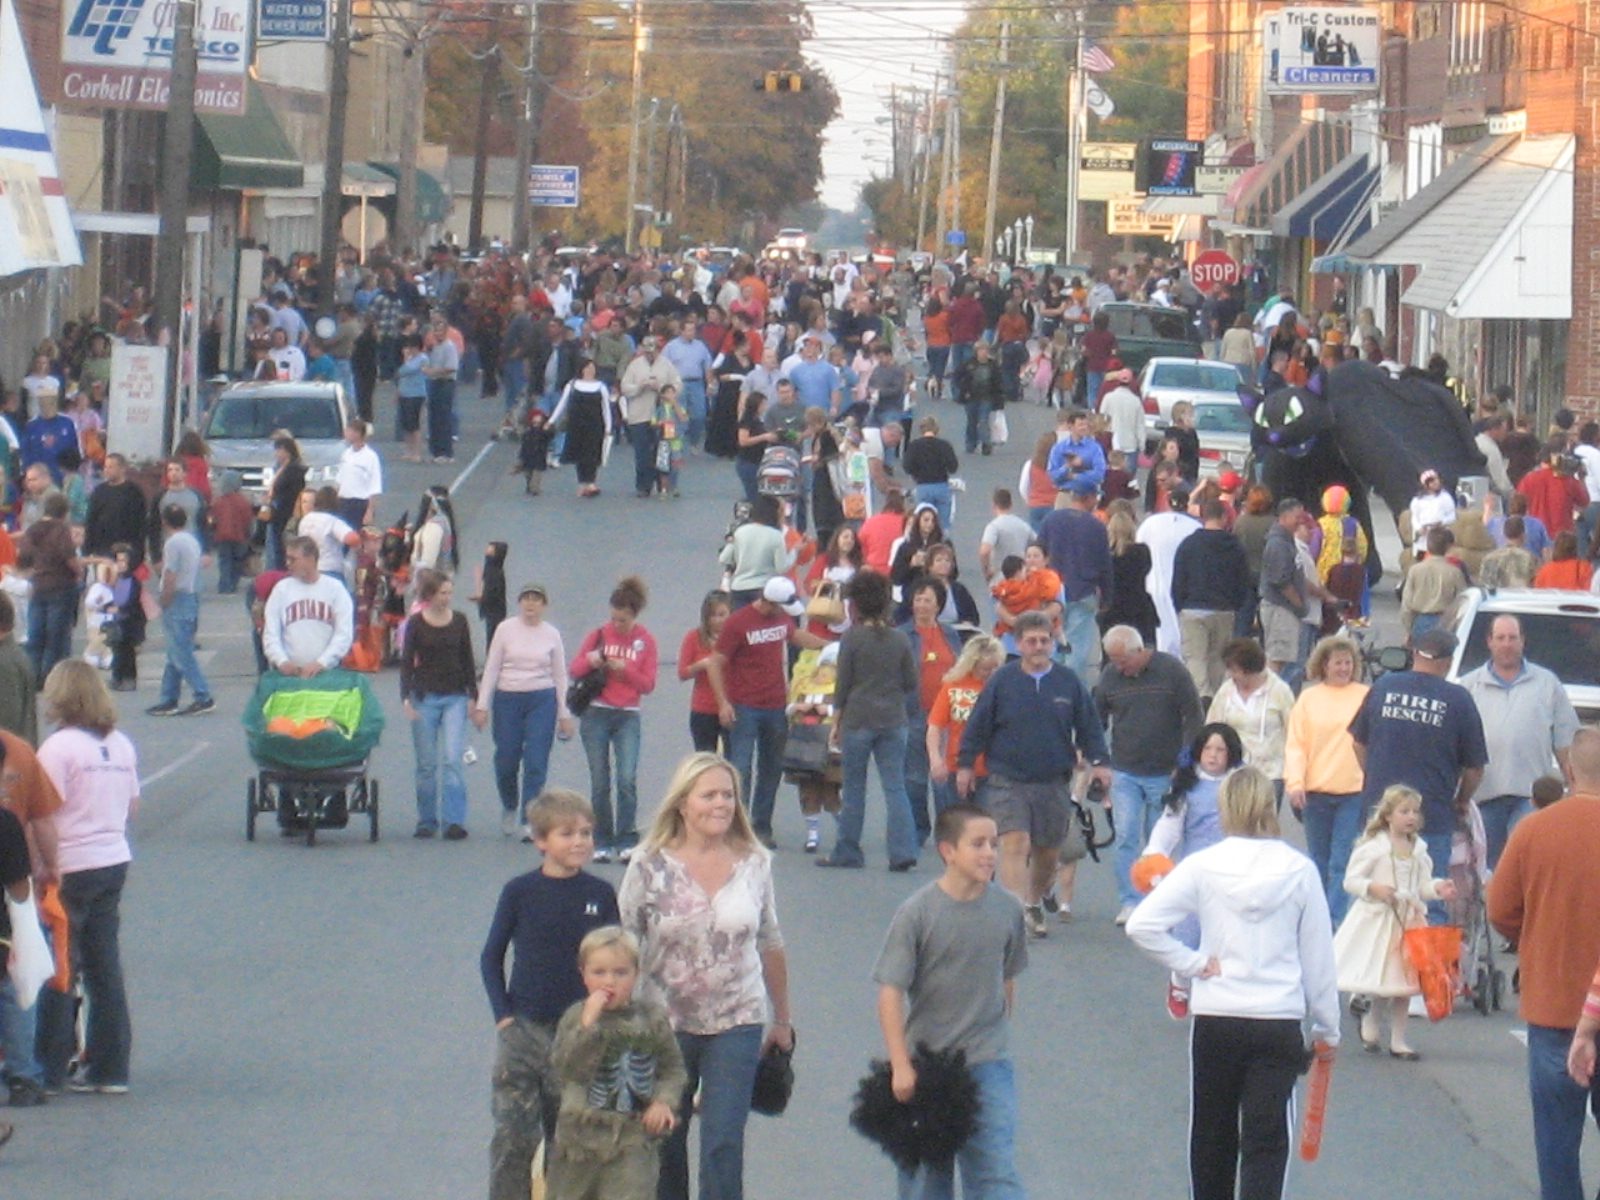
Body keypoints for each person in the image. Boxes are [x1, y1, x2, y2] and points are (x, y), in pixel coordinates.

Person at [1125, 768, 1340, 1200]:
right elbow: (1318, 957)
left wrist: (1195, 964)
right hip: (1277, 1017)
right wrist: (1326, 1027)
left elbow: (1142, 925)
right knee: (1266, 1139)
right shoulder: (1298, 869)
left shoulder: (1203, 865)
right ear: (1268, 806)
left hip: (1218, 1015)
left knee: (1211, 1132)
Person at [618, 753, 793, 1200]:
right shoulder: (648, 864)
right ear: (682, 804)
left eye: (728, 795)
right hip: (663, 1025)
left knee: (723, 1143)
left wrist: (782, 1019)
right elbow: (623, 940)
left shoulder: (755, 862)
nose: (721, 804)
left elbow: (770, 939)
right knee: (665, 1142)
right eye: (709, 795)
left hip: (737, 1019)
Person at [873, 804, 1028, 1200]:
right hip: (927, 1066)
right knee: (926, 1182)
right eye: (977, 844)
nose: (989, 853)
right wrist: (901, 1066)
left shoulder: (1008, 910)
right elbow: (890, 992)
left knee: (996, 1176)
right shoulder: (918, 913)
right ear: (948, 851)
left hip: (988, 1063)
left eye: (993, 844)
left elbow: (1007, 978)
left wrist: (995, 1032)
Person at [480, 789, 620, 1200]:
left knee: (572, 1142)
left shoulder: (599, 894)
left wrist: (607, 1015)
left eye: (586, 833)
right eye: (566, 833)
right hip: (523, 1032)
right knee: (512, 1138)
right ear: (541, 841)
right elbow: (491, 957)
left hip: (580, 1032)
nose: (579, 842)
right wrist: (503, 1016)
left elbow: (617, 963)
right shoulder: (519, 892)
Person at [1489, 726, 1600, 1200]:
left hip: (1554, 1001)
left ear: (1569, 770)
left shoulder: (1535, 829)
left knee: (1556, 1137)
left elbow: (1500, 910)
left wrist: (1533, 939)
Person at [958, 611, 1112, 937]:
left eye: (1044, 640)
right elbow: (977, 725)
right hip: (1007, 779)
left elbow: (1089, 726)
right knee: (1013, 842)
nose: (1039, 646)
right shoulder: (1002, 681)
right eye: (1031, 641)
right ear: (1018, 644)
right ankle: (1015, 913)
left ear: (1053, 642)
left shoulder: (1068, 682)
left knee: (1047, 852)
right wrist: (966, 764)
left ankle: (1034, 900)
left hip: (1053, 779)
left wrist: (1099, 762)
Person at [35, 660, 140, 1095]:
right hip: (111, 857)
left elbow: (41, 811)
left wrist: (41, 866)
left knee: (61, 965)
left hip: (70, 864)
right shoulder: (119, 745)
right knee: (103, 966)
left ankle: (51, 1063)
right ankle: (110, 1066)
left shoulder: (58, 749)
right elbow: (132, 804)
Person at [1350, 627, 1487, 925]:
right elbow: (1475, 767)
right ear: (1448, 662)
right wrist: (1461, 800)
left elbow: (1358, 743)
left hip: (1380, 815)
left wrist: (1376, 780)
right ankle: (1425, 970)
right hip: (1432, 816)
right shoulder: (1458, 699)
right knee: (1429, 899)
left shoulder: (1384, 687)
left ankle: (1368, 968)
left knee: (1370, 896)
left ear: (1414, 654)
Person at [545, 926, 686, 1200]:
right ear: (583, 974)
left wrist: (663, 1102)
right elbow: (566, 1068)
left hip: (631, 1139)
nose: (609, 982)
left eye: (621, 973)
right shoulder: (575, 1018)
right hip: (578, 1142)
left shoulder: (651, 1019)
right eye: (599, 972)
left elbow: (673, 1069)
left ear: (636, 975)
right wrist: (588, 1026)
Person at [1333, 784, 1456, 1059]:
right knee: (1383, 980)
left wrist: (1437, 888)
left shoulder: (1419, 850)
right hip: (1380, 921)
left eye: (1414, 812)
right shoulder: (1374, 848)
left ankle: (1398, 1040)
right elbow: (1351, 880)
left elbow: (1422, 884)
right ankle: (1371, 1021)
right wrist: (1374, 888)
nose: (1411, 817)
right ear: (1388, 816)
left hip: (1409, 921)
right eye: (1404, 811)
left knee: (1404, 985)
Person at [1096, 624, 1203, 925]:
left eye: (1122, 661)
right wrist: (1096, 758)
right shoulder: (1110, 677)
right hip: (1124, 769)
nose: (1119, 667)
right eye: (1113, 661)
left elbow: (1193, 713)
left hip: (1164, 771)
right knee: (1126, 836)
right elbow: (1097, 718)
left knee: (1159, 840)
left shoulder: (1171, 671)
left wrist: (1185, 759)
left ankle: (1157, 899)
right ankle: (1130, 900)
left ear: (1139, 651)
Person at [1142, 723, 1246, 1019]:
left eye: (1221, 750)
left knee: (1228, 933)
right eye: (1208, 749)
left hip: (1232, 870)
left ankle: (1222, 990)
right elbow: (1169, 825)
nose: (1213, 756)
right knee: (1188, 932)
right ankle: (1179, 981)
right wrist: (1154, 854)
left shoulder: (1239, 783)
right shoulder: (1187, 786)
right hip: (1195, 871)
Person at [816, 571, 918, 871]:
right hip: (893, 719)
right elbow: (911, 682)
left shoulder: (852, 638)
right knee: (895, 786)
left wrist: (836, 722)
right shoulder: (900, 639)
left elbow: (843, 684)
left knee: (855, 788)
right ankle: (902, 851)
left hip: (859, 719)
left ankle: (848, 849)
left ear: (856, 606)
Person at [1461, 614, 1578, 869]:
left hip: (1531, 798)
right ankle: (1491, 910)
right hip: (1483, 798)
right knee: (1487, 870)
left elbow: (1564, 741)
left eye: (1513, 638)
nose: (1507, 644)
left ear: (1523, 641)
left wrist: (1574, 787)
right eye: (1500, 638)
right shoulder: (1469, 686)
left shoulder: (1547, 683)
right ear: (1489, 642)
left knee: (1525, 865)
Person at [475, 582, 576, 840]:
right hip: (508, 698)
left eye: (536, 600)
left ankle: (530, 817)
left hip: (541, 699)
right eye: (526, 599)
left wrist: (564, 713)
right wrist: (482, 705)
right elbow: (492, 668)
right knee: (507, 757)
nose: (531, 604)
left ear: (544, 605)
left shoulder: (551, 634)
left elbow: (560, 674)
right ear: (519, 603)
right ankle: (509, 803)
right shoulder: (505, 630)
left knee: (536, 760)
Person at [1283, 636, 1370, 924]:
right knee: (1318, 862)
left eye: (1348, 663)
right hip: (1316, 793)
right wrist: (1295, 783)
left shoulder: (1366, 695)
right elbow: (1296, 745)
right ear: (1324, 665)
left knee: (1341, 862)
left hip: (1354, 792)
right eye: (1338, 663)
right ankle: (1315, 921)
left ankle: (1335, 923)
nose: (1344, 668)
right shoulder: (1308, 698)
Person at [570, 577, 658, 863]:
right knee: (600, 780)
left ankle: (627, 837)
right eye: (614, 619)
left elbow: (647, 684)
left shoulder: (645, 641)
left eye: (622, 620)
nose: (617, 625)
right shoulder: (599, 635)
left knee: (626, 778)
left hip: (627, 715)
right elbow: (575, 668)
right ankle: (603, 838)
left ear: (634, 616)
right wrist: (594, 660)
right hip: (597, 711)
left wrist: (626, 671)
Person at [399, 569, 477, 840]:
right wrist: (405, 698)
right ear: (429, 595)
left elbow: (468, 659)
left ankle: (454, 820)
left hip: (455, 696)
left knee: (453, 759)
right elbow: (407, 662)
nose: (447, 598)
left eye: (449, 593)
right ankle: (427, 819)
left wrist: (473, 696)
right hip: (425, 697)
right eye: (442, 593)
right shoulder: (416, 623)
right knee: (426, 764)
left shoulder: (460, 621)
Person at [1170, 500, 1252, 701]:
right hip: (1224, 609)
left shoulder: (1188, 544)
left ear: (1201, 516)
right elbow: (1243, 580)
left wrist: (1180, 605)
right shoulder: (1235, 546)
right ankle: (1214, 696)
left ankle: (1201, 696)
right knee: (1218, 658)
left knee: (1196, 657)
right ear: (1224, 518)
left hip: (1193, 608)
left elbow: (1178, 580)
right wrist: (1236, 605)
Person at [1037, 484, 1113, 681]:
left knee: (1052, 645)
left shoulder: (1051, 520)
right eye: (1095, 496)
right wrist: (1107, 597)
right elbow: (1104, 563)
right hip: (1083, 591)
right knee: (1077, 649)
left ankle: (1048, 686)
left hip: (1051, 594)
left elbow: (1038, 554)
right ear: (1088, 498)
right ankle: (1072, 692)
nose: (1097, 501)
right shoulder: (1096, 526)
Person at [1207, 638, 1294, 807]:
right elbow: (1212, 728)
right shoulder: (1226, 691)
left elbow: (1295, 732)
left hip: (1270, 774)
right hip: (1232, 772)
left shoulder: (1280, 691)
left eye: (1236, 670)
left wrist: (1294, 772)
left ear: (1251, 669)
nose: (1231, 675)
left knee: (1263, 828)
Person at [146, 505, 214, 717]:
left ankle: (203, 695)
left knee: (181, 652)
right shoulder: (192, 540)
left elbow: (170, 574)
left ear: (165, 522)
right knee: (175, 650)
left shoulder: (172, 543)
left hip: (177, 598)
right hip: (191, 595)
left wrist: (164, 599)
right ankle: (169, 697)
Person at [261, 535, 355, 676]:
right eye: (287, 558)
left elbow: (344, 633)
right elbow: (271, 632)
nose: (287, 563)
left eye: (293, 559)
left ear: (310, 559)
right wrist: (282, 661)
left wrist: (322, 663)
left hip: (327, 674)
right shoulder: (281, 589)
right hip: (289, 674)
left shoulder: (335, 589)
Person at [16, 492, 78, 685]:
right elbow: (70, 559)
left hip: (38, 585)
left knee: (35, 635)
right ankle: (50, 678)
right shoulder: (61, 530)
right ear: (64, 511)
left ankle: (33, 677)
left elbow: (23, 559)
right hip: (60, 585)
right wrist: (79, 572)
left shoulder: (33, 530)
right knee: (55, 637)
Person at [1138, 485, 1200, 657]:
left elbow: (1138, 546)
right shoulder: (1194, 527)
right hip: (1183, 586)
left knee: (1160, 630)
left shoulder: (1151, 523)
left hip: (1154, 582)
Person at [620, 336, 684, 500]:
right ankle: (643, 486)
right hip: (640, 414)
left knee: (662, 450)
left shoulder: (666, 364)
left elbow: (677, 384)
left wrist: (662, 389)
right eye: (647, 351)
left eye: (653, 351)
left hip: (663, 417)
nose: (650, 354)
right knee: (642, 453)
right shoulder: (635, 365)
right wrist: (640, 386)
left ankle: (662, 484)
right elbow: (625, 388)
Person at [1258, 498, 1309, 675]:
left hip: (1284, 609)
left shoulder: (1286, 540)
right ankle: (1270, 697)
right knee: (1276, 659)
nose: (1300, 522)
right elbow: (1280, 581)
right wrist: (1299, 605)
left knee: (1281, 658)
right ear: (1284, 517)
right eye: (1297, 517)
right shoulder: (1278, 544)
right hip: (1280, 608)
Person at [719, 494, 795, 610]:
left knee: (741, 624)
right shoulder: (776, 536)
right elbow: (781, 568)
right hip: (763, 589)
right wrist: (794, 552)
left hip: (739, 588)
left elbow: (724, 559)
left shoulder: (740, 532)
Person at [549, 359, 612, 497]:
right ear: (582, 369)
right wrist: (551, 420)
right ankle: (583, 483)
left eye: (593, 367)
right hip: (576, 425)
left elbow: (606, 408)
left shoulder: (601, 386)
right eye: (588, 367)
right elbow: (562, 404)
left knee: (593, 453)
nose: (591, 370)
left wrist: (608, 426)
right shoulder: (572, 385)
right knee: (580, 454)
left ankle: (591, 482)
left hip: (595, 425)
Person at [679, 591, 732, 755]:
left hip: (732, 708)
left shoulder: (736, 637)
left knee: (734, 760)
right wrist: (701, 665)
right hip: (703, 709)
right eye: (713, 615)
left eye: (722, 614)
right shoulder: (694, 637)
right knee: (705, 761)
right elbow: (683, 672)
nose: (717, 620)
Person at [82, 453, 148, 568]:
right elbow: (90, 520)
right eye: (105, 467)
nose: (106, 470)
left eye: (111, 467)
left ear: (122, 469)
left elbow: (141, 522)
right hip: (101, 549)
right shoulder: (99, 491)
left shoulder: (133, 492)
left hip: (125, 549)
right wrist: (87, 549)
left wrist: (137, 549)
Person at [901, 417, 959, 530]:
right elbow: (953, 467)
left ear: (921, 430)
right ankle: (942, 545)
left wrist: (916, 472)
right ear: (937, 429)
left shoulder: (914, 446)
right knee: (943, 524)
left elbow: (907, 467)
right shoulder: (944, 445)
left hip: (923, 487)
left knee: (923, 522)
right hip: (942, 486)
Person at [978, 489, 1033, 583]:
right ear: (1011, 505)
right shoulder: (1023, 525)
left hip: (1001, 578)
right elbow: (1037, 543)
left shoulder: (994, 526)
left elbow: (984, 551)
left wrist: (987, 570)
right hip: (1021, 577)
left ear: (994, 506)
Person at [1409, 468, 1457, 558]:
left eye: (1437, 480)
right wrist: (1419, 528)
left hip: (1440, 537)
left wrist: (1442, 522)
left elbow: (1452, 516)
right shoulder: (1417, 501)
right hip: (1423, 541)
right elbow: (1415, 518)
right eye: (1432, 481)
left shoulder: (1445, 497)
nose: (1436, 483)